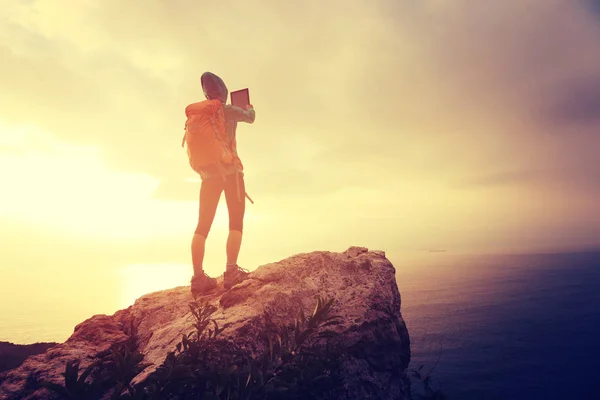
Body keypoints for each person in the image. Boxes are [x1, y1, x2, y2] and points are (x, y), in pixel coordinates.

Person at [190, 71, 256, 296]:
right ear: (224, 92)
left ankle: (198, 278)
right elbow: (251, 117)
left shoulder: (201, 115)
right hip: (231, 174)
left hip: (209, 176)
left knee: (203, 225)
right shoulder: (227, 110)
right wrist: (249, 107)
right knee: (235, 221)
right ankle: (231, 272)